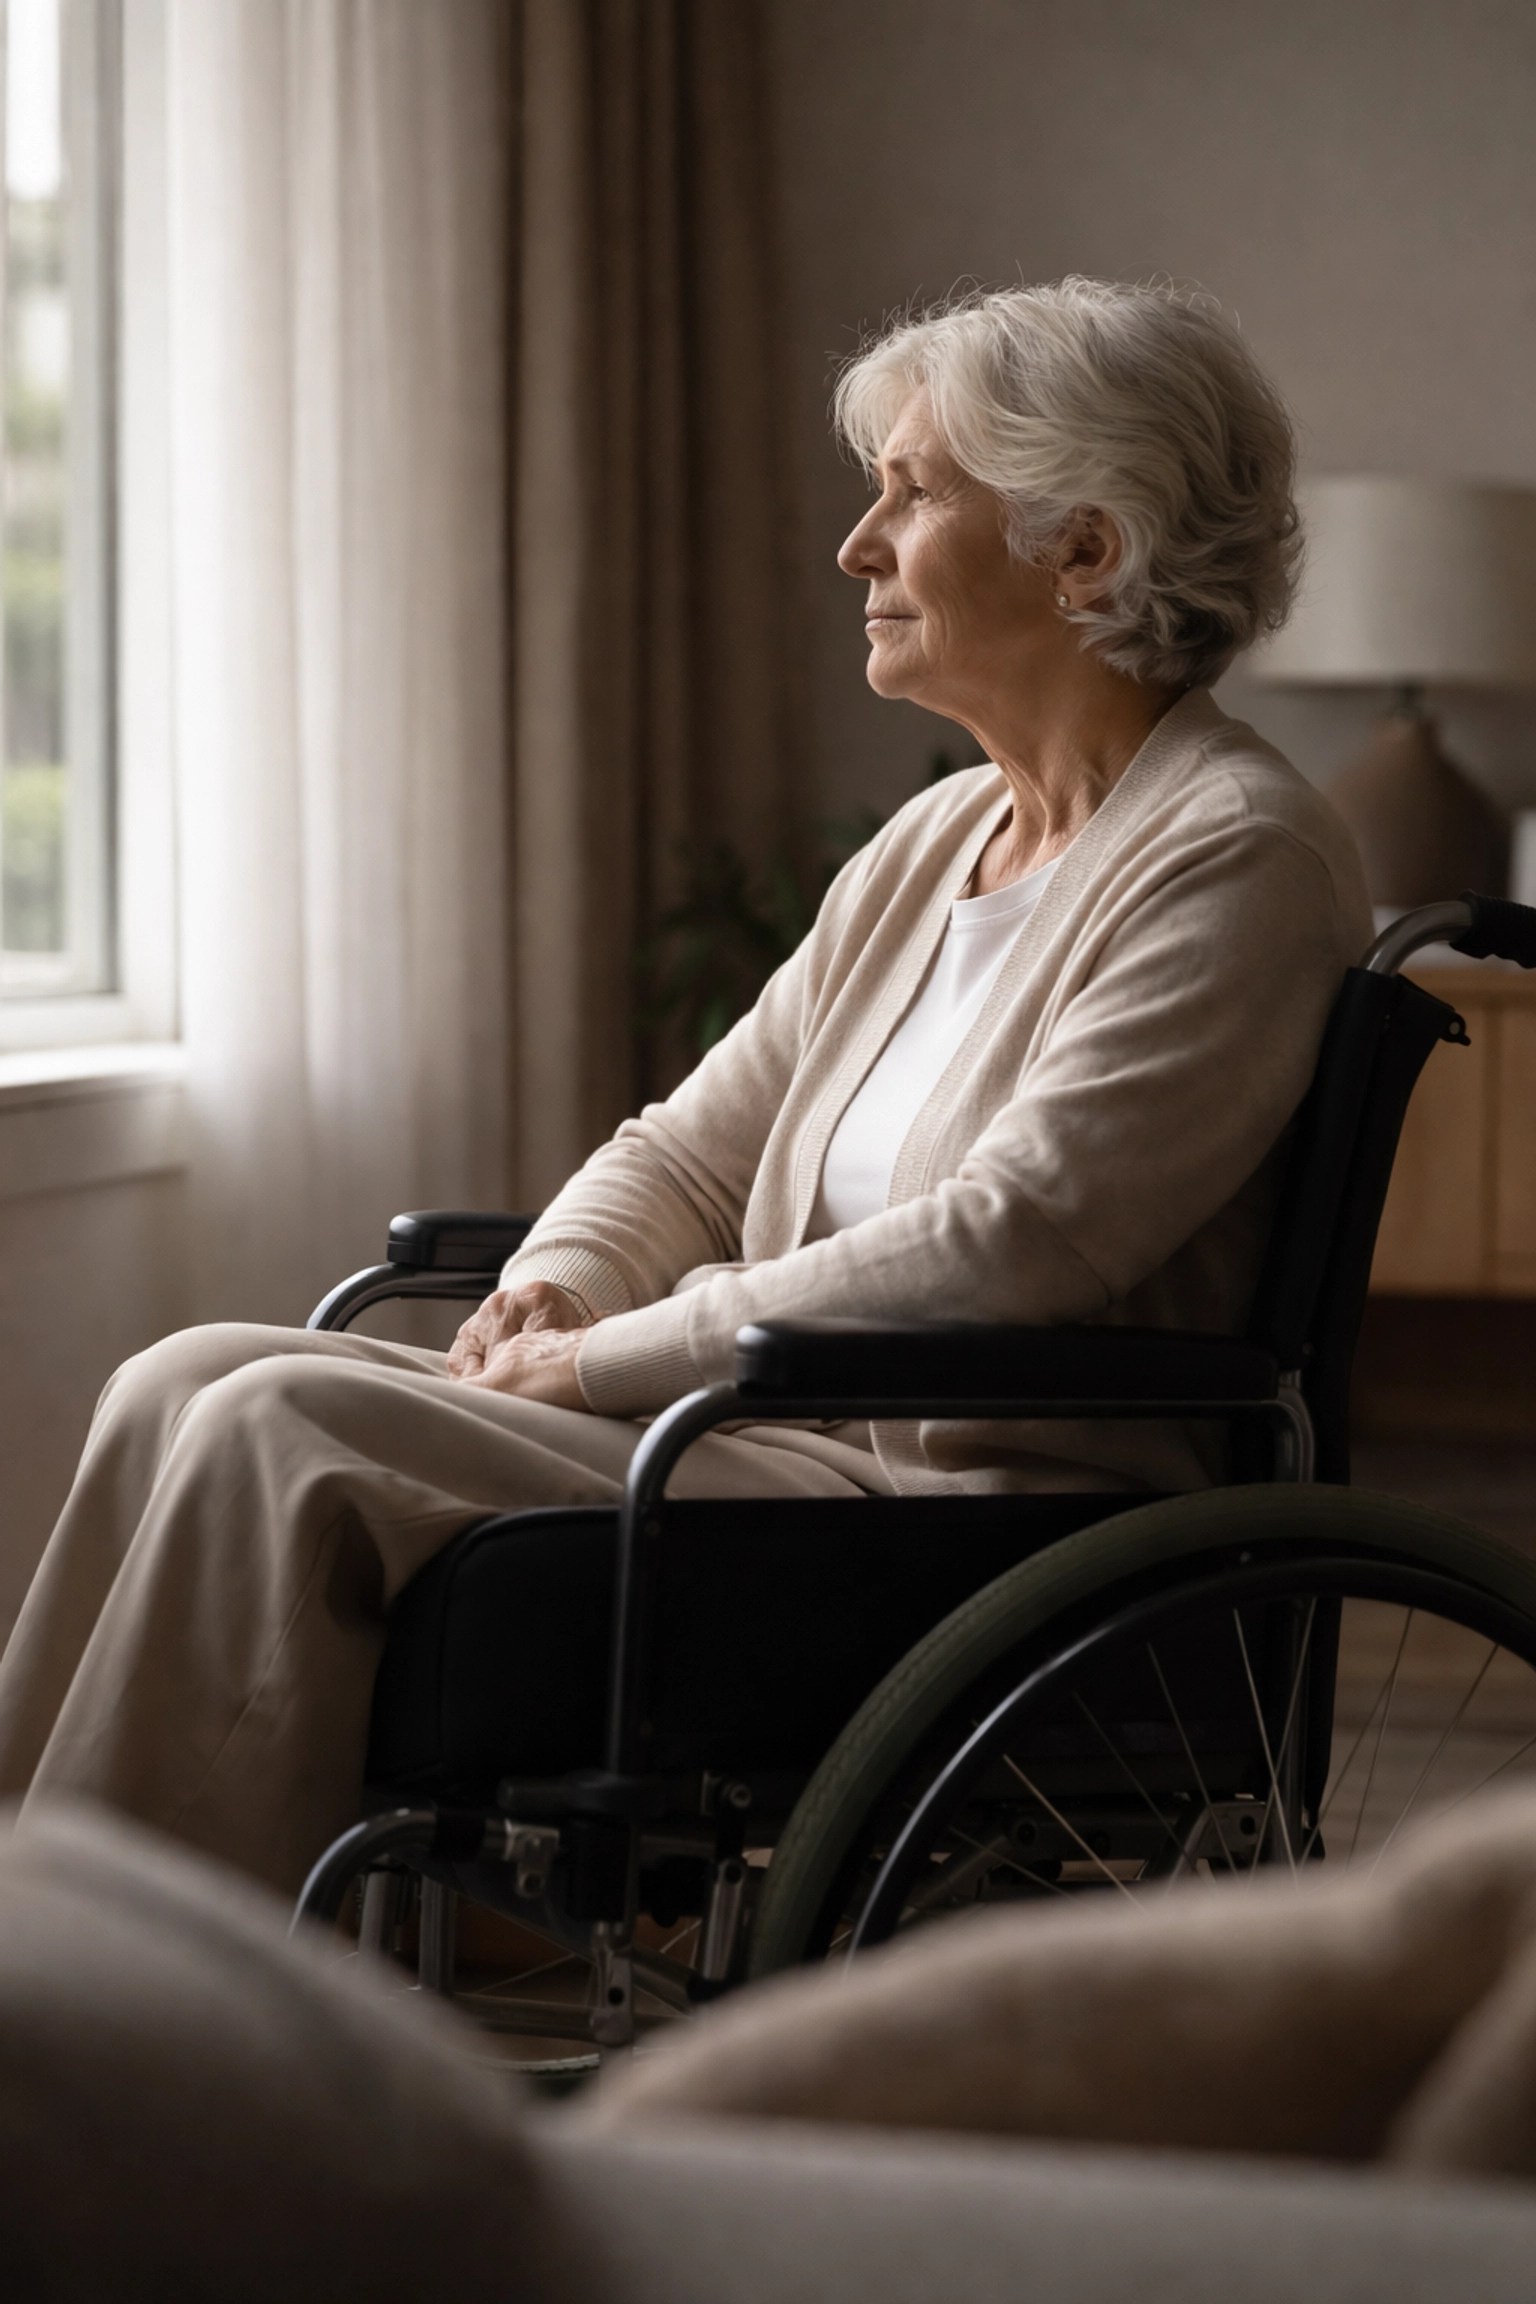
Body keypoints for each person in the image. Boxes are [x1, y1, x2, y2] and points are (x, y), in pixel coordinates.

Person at [0, 278, 1369, 1895]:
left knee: (278, 1422)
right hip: (778, 1435)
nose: (859, 545)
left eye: (914, 494)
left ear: (1088, 548)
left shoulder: (1236, 855)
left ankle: (125, 2023)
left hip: (971, 1512)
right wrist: (552, 1286)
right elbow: (697, 1146)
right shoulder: (939, 841)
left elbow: (1017, 1241)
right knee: (178, 1377)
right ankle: (55, 1944)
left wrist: (602, 1366)